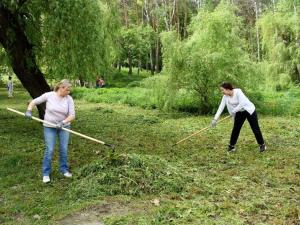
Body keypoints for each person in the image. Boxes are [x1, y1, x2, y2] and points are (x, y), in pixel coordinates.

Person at [25, 79, 75, 183]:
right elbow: (34, 101)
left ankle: (64, 170)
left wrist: (63, 122)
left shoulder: (69, 99)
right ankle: (46, 173)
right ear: (61, 88)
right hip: (49, 126)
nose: (69, 92)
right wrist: (29, 110)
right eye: (67, 90)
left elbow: (72, 115)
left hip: (64, 127)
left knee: (63, 149)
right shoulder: (49, 95)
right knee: (50, 149)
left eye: (69, 90)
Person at [211, 82, 266, 152]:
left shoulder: (238, 92)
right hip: (239, 113)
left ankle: (262, 144)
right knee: (236, 129)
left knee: (255, 128)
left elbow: (242, 104)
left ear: (228, 89)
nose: (222, 92)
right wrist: (215, 119)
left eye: (222, 90)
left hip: (249, 110)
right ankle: (231, 146)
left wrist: (234, 111)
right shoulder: (225, 96)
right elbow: (221, 107)